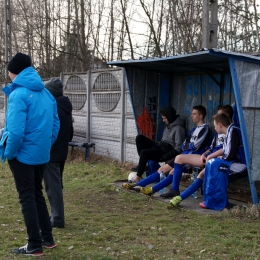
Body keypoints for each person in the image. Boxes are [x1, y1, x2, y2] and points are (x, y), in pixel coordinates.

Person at [0, 53, 60, 256]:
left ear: (13, 71)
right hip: (41, 154)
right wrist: (44, 146)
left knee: (27, 198)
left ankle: (34, 244)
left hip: (22, 156)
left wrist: (9, 153)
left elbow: (15, 132)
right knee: (37, 194)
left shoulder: (18, 94)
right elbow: (55, 126)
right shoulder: (47, 94)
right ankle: (47, 238)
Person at [123, 105, 210, 196]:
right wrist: (187, 147)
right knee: (162, 169)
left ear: (201, 116)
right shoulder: (194, 130)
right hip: (185, 154)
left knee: (169, 170)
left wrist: (174, 152)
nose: (191, 116)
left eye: (194, 114)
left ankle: (158, 189)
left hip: (191, 155)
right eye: (192, 114)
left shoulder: (205, 128)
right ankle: (139, 185)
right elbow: (185, 144)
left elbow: (194, 146)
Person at [170, 112, 247, 209]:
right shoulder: (230, 130)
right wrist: (210, 156)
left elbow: (228, 155)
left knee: (214, 172)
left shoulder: (233, 131)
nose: (214, 128)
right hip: (232, 163)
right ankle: (182, 197)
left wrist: (215, 159)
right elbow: (224, 149)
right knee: (207, 170)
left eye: (215, 126)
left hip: (240, 165)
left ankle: (217, 203)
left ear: (219, 125)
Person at [158, 104, 234, 199]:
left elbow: (225, 149)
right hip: (205, 156)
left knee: (178, 162)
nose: (191, 116)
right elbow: (209, 146)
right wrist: (206, 154)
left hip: (211, 158)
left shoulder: (232, 130)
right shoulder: (219, 130)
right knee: (170, 168)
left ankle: (176, 194)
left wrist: (210, 156)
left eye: (220, 115)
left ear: (226, 117)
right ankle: (155, 189)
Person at [43, 78, 73, 228]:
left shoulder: (54, 108)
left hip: (52, 154)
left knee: (53, 188)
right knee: (56, 186)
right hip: (61, 152)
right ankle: (55, 214)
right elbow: (70, 134)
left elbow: (47, 131)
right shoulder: (66, 106)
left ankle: (57, 219)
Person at [133, 107, 185, 182]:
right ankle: (143, 164)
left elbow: (179, 147)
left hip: (165, 152)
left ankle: (138, 176)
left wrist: (166, 156)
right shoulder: (168, 126)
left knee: (144, 153)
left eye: (165, 118)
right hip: (160, 147)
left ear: (170, 117)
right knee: (139, 138)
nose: (163, 120)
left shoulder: (179, 129)